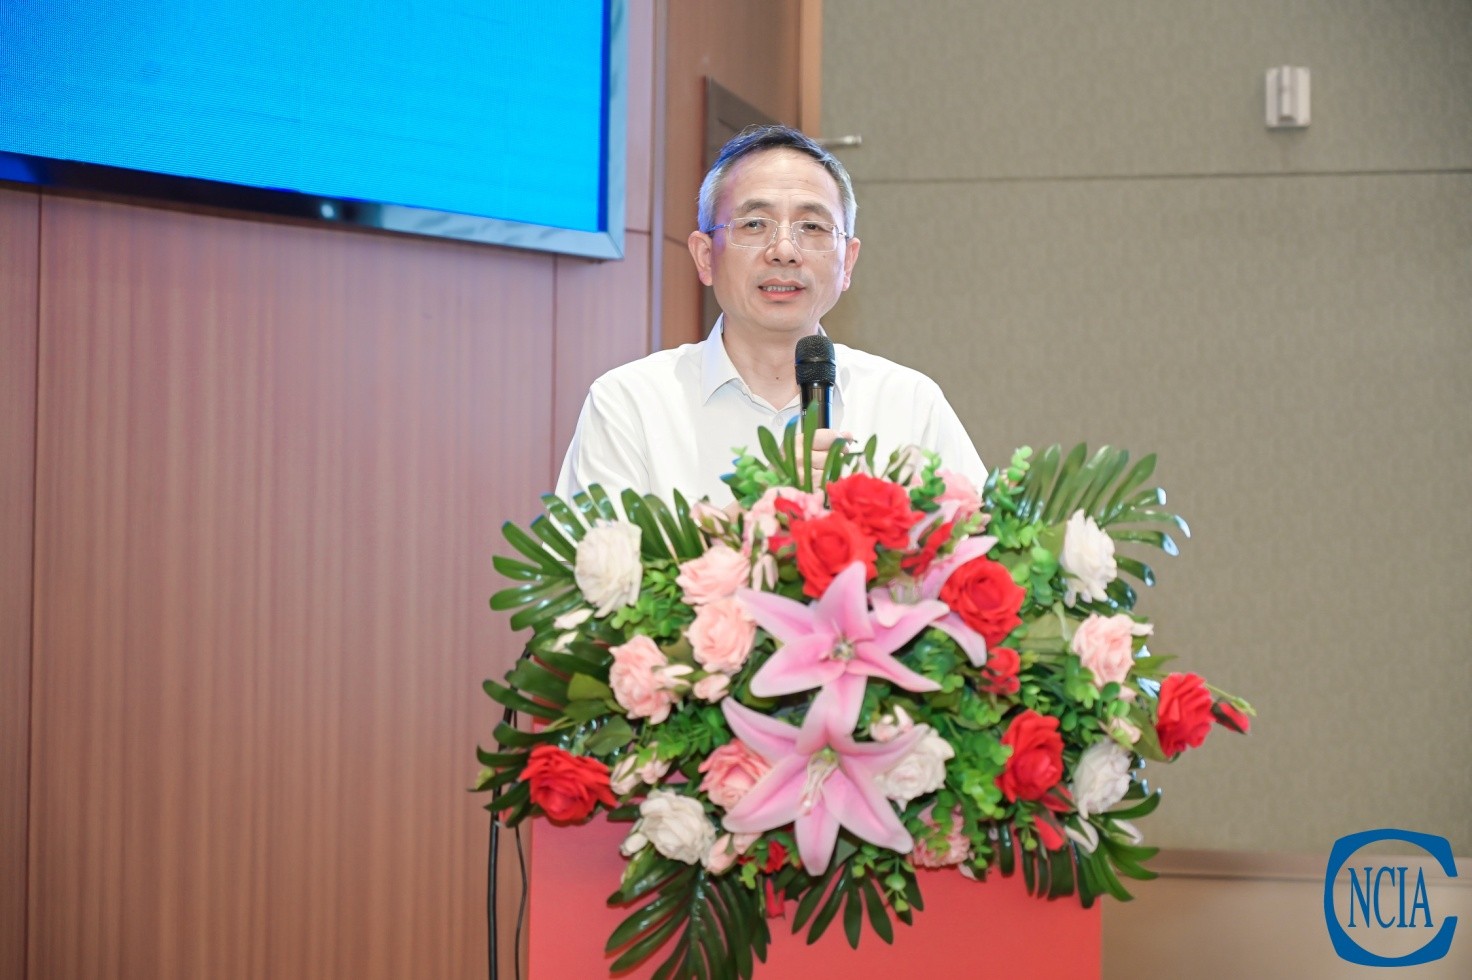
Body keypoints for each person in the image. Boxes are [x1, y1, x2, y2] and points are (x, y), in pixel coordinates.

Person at [556, 125, 984, 504]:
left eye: (812, 227)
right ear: (705, 257)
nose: (784, 251)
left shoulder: (908, 404)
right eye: (754, 224)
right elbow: (592, 567)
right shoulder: (629, 403)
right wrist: (760, 508)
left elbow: (987, 552)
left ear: (848, 262)